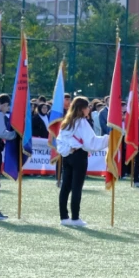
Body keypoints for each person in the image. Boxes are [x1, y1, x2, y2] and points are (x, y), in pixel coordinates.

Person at [54, 97, 110, 227]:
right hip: (79, 156)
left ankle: (64, 217)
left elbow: (60, 140)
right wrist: (108, 139)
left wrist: (68, 150)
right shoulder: (82, 122)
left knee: (66, 187)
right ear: (81, 109)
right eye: (87, 107)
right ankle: (75, 218)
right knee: (77, 187)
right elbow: (91, 142)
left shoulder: (66, 122)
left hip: (67, 156)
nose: (89, 109)